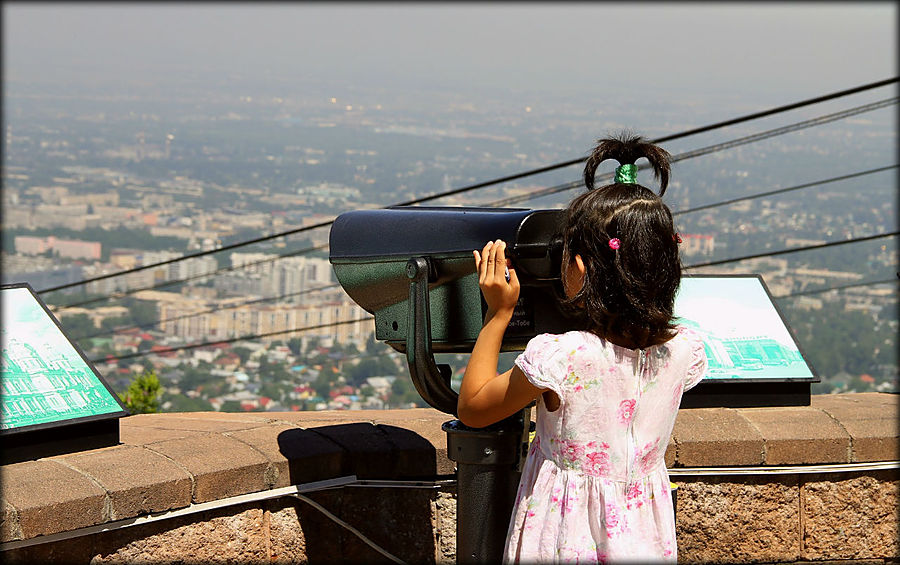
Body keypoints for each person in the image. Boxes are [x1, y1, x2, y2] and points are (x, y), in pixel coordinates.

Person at [457, 133, 709, 563]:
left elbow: (475, 407)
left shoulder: (564, 357)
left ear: (579, 266)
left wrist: (498, 314)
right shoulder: (684, 349)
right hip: (644, 534)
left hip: (566, 536)